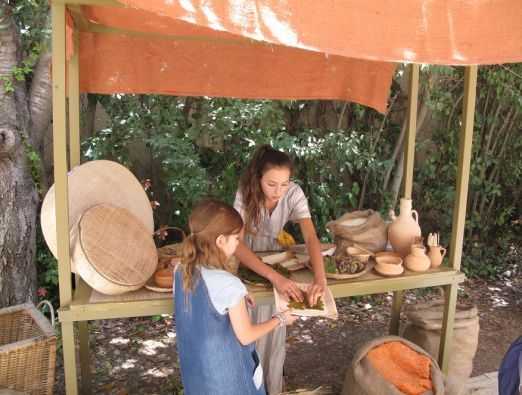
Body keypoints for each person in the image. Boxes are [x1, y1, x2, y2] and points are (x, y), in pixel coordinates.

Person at [174, 199, 297, 395]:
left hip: (197, 374)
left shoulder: (181, 270)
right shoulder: (228, 284)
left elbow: (207, 302)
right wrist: (280, 319)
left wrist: (238, 296)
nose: (239, 244)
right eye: (237, 239)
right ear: (221, 241)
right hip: (228, 381)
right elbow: (246, 336)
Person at [233, 144, 328, 394]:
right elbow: (237, 246)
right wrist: (274, 277)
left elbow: (310, 238)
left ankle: (271, 388)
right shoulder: (245, 193)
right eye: (272, 184)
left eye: (284, 184)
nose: (279, 191)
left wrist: (321, 279)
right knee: (247, 328)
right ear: (258, 178)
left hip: (276, 260)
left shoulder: (294, 193)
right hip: (246, 263)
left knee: (275, 333)